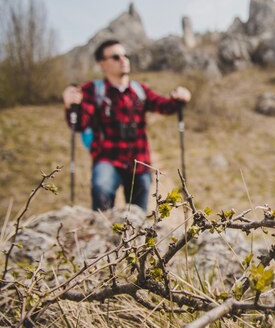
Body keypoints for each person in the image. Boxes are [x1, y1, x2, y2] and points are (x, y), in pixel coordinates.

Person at [62, 39, 191, 212]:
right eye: (115, 57)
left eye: (125, 55)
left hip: (139, 162)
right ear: (103, 63)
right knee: (102, 207)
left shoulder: (140, 90)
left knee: (137, 219)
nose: (123, 60)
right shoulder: (93, 90)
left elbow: (165, 106)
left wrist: (181, 97)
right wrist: (71, 105)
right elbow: (79, 123)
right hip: (107, 159)